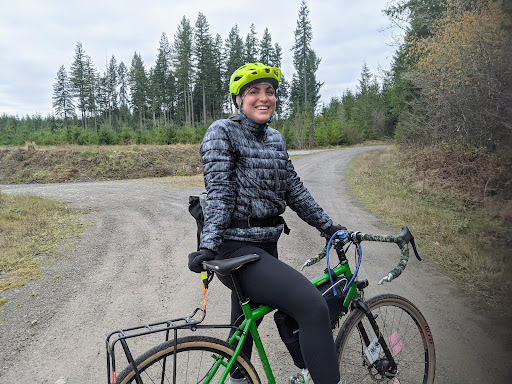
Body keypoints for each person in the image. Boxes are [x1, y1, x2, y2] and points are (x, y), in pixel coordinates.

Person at [188, 62, 344, 384]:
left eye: (269, 91)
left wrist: (328, 226)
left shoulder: (275, 139)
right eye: (253, 91)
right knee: (313, 307)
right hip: (235, 250)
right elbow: (220, 194)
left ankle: (237, 378)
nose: (264, 98)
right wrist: (208, 246)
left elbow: (294, 190)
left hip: (265, 248)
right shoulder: (222, 132)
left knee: (243, 330)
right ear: (238, 100)